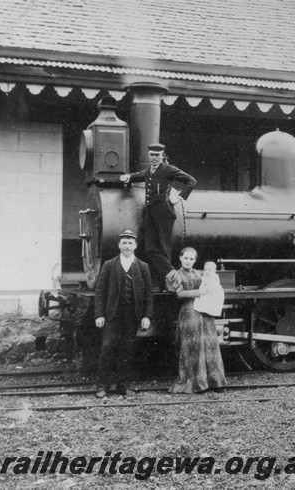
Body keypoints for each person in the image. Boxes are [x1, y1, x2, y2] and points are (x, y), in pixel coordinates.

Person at [120, 143, 196, 287]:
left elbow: (191, 181)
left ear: (162, 156)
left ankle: (169, 281)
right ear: (148, 155)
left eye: (157, 155)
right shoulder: (149, 171)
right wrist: (128, 176)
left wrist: (179, 197)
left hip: (164, 210)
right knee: (150, 248)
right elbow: (139, 175)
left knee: (163, 247)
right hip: (150, 211)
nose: (154, 158)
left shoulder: (168, 169)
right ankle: (172, 276)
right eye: (152, 155)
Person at [94, 229, 153, 398]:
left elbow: (148, 293)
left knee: (127, 349)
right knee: (107, 347)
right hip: (113, 313)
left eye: (130, 243)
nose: (127, 246)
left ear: (135, 245)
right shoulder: (109, 264)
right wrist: (99, 314)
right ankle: (102, 386)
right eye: (124, 243)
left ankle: (123, 385)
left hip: (132, 314)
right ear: (119, 245)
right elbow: (100, 291)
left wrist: (146, 316)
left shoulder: (143, 267)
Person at [165, 247, 226, 394]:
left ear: (195, 260)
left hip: (205, 311)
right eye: (185, 258)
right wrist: (200, 292)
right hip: (189, 312)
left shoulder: (200, 273)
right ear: (180, 258)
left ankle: (215, 382)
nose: (188, 261)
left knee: (210, 344)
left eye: (191, 259)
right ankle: (197, 384)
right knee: (192, 347)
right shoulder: (176, 275)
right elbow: (179, 294)